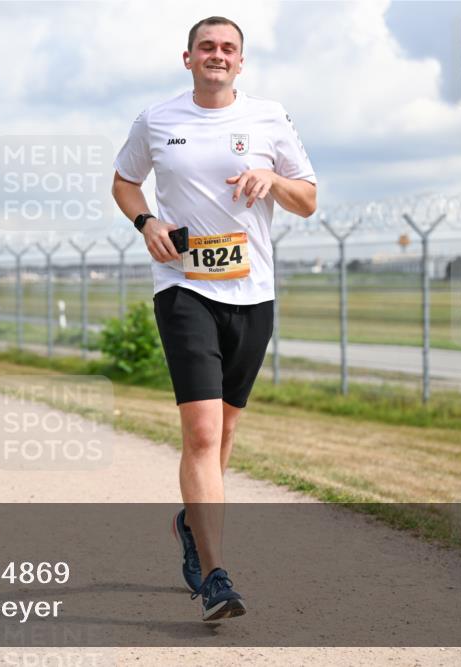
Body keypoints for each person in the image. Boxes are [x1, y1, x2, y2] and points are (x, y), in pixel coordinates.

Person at [112, 16, 316, 622]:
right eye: (207, 47)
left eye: (228, 48)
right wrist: (145, 222)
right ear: (188, 57)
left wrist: (273, 178)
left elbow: (306, 199)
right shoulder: (157, 120)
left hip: (252, 295)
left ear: (241, 62)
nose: (217, 55)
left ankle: (189, 523)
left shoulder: (270, 118)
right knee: (201, 434)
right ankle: (216, 574)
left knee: (224, 436)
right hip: (184, 288)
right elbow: (125, 182)